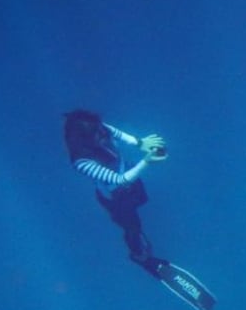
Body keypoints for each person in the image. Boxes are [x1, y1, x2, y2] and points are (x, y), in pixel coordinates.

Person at [63, 109, 170, 277]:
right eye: (98, 134)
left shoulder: (98, 128)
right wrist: (146, 161)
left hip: (129, 181)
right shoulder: (81, 161)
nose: (103, 133)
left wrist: (140, 142)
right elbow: (119, 180)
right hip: (115, 197)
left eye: (101, 129)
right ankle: (140, 256)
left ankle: (139, 239)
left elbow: (117, 133)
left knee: (141, 200)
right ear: (85, 140)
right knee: (132, 227)